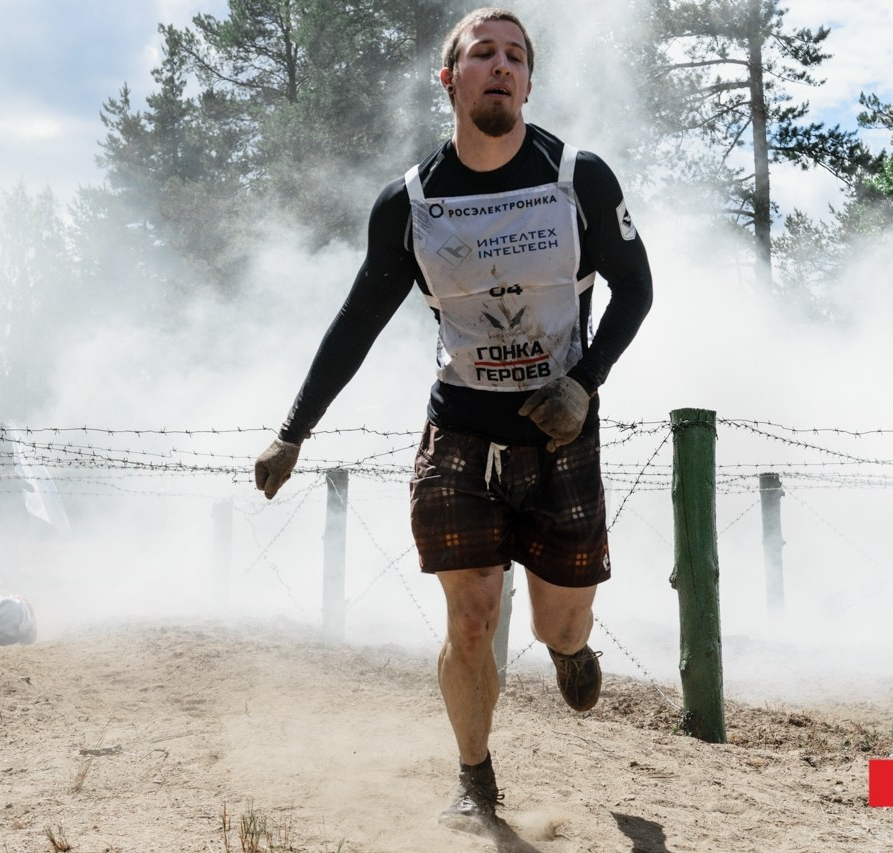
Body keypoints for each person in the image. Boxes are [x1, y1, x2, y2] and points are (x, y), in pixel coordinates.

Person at [254, 6, 652, 837]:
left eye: (516, 56)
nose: (500, 65)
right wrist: (294, 430)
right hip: (459, 437)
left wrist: (584, 383)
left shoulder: (579, 178)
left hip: (560, 435)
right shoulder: (411, 202)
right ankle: (475, 779)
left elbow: (637, 288)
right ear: (450, 79)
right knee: (470, 618)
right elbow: (356, 322)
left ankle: (571, 649)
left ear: (529, 83)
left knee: (556, 620)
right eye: (482, 54)